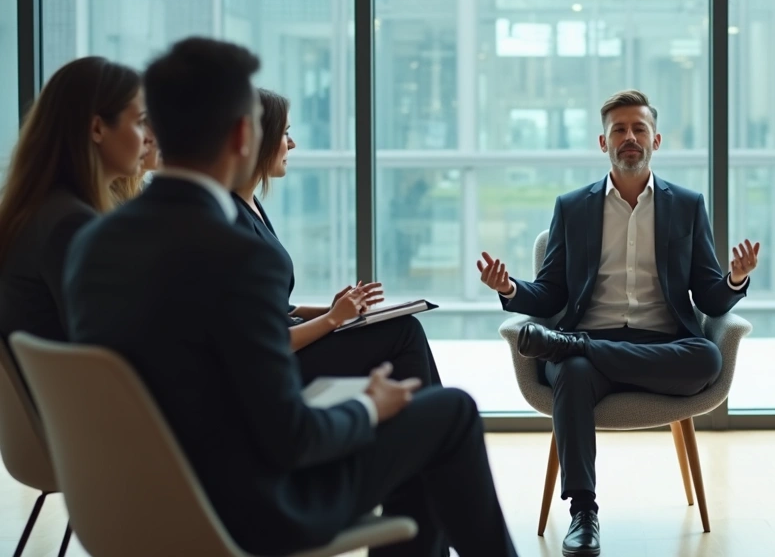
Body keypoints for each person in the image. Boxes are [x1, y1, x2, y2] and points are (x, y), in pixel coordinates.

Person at [62, 37, 517, 557]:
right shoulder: (239, 256)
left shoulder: (91, 243)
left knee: (420, 420)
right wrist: (369, 406)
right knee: (449, 412)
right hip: (249, 507)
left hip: (128, 502)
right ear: (241, 135)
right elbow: (292, 439)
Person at [477, 89, 760, 557]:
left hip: (663, 344)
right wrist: (509, 289)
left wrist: (734, 278)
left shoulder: (687, 206)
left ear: (656, 139)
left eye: (638, 129)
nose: (629, 137)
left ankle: (568, 347)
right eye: (619, 130)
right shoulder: (573, 207)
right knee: (571, 370)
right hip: (591, 335)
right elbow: (551, 292)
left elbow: (709, 295)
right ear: (603, 142)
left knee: (707, 357)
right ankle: (583, 513)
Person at [232, 88, 442, 387]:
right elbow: (259, 337)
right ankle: (426, 425)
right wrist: (332, 320)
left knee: (402, 326)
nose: (292, 144)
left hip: (288, 347)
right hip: (277, 365)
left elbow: (275, 308)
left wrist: (336, 311)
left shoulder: (250, 207)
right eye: (285, 134)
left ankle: (420, 424)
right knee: (404, 334)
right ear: (258, 141)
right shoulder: (231, 222)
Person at [0, 56, 147, 343]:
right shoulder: (73, 224)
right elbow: (116, 340)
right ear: (97, 129)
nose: (147, 138)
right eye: (141, 122)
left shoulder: (40, 211)